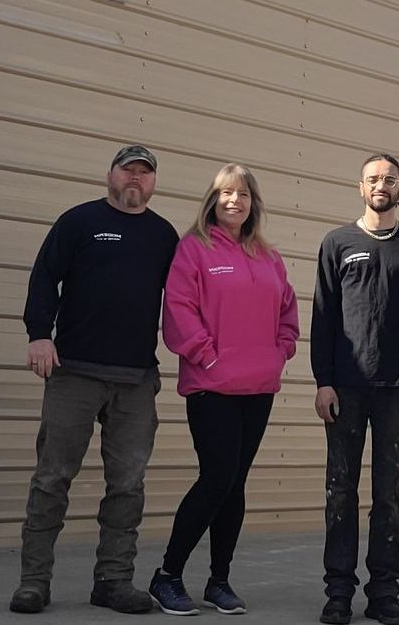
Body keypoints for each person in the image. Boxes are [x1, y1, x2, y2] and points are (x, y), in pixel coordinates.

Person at [13, 144, 180, 615]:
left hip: (136, 380)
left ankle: (112, 580)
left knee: (127, 486)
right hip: (74, 373)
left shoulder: (164, 235)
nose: (136, 178)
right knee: (51, 479)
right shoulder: (78, 222)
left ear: (153, 183)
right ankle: (33, 581)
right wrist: (38, 335)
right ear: (110, 174)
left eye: (145, 173)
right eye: (128, 169)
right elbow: (44, 278)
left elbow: (188, 297)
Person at [148, 163, 300, 616]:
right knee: (216, 479)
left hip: (258, 386)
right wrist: (206, 355)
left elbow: (287, 310)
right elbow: (178, 309)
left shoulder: (268, 256)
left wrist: (282, 351)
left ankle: (219, 581)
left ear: (254, 204)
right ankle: (167, 576)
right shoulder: (193, 248)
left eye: (244, 195)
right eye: (227, 193)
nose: (235, 201)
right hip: (211, 386)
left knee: (235, 484)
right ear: (212, 200)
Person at [310, 155, 399, 625]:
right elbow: (323, 318)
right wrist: (322, 381)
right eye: (373, 179)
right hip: (345, 389)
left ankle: (384, 592)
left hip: (398, 391)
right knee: (339, 491)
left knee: (389, 494)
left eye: (389, 179)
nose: (381, 185)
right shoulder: (337, 244)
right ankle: (338, 592)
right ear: (360, 186)